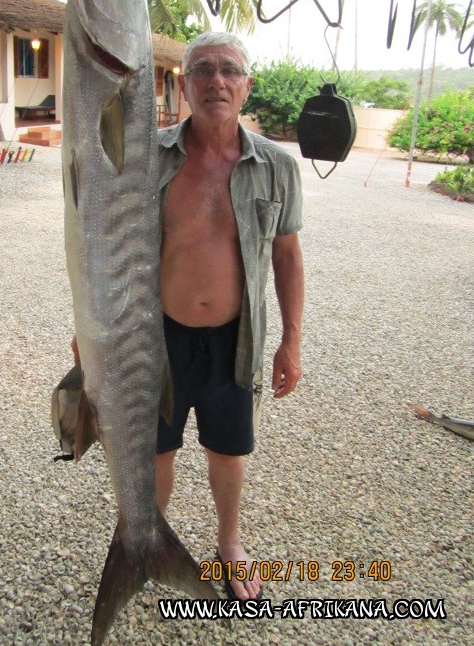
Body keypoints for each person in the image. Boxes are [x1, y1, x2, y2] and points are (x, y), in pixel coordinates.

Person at [155, 31, 304, 602]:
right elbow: (109, 245)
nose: (216, 80)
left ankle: (229, 544)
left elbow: (287, 255)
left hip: (234, 338)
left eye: (229, 70)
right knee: (155, 448)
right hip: (158, 335)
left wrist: (291, 340)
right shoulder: (148, 159)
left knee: (228, 448)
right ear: (183, 82)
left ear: (246, 85)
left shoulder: (276, 166)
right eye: (202, 70)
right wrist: (94, 329)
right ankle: (149, 539)